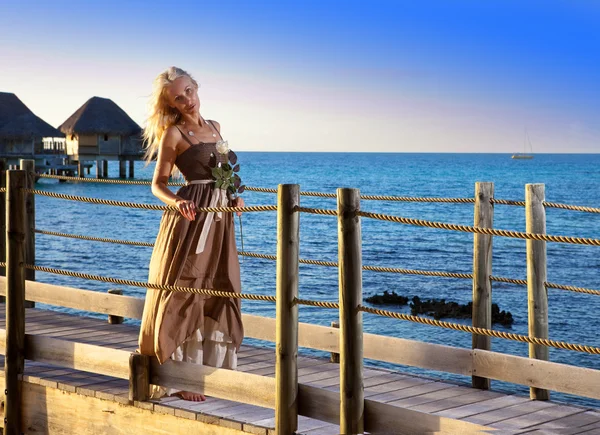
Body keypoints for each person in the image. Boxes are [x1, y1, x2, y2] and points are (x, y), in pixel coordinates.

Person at [138, 66, 245, 401]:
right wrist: (178, 202)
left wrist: (235, 196)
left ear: (197, 87)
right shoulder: (174, 135)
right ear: (171, 104)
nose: (187, 100)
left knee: (218, 284)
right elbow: (158, 185)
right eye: (178, 98)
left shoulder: (215, 127)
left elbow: (225, 173)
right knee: (185, 286)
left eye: (189, 91)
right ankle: (181, 375)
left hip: (219, 219)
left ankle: (210, 371)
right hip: (191, 216)